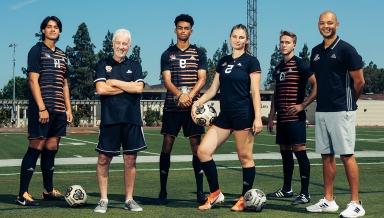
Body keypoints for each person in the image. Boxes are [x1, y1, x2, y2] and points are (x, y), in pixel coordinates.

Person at [192, 24, 263, 211]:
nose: (238, 40)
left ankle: (244, 198)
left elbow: (255, 91)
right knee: (203, 151)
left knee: (245, 157)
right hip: (225, 115)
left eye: (241, 37)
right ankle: (215, 194)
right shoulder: (223, 61)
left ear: (246, 40)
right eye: (235, 36)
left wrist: (258, 118)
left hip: (243, 114)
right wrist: (198, 102)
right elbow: (214, 89)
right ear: (230, 38)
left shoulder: (251, 61)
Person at [306, 11, 366, 217]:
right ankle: (329, 200)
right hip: (322, 110)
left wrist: (348, 103)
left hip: (343, 110)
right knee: (326, 156)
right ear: (318, 25)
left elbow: (360, 82)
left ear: (337, 24)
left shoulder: (347, 49)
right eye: (322, 23)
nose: (326, 26)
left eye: (330, 23)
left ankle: (356, 203)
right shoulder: (314, 52)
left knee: (347, 155)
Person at [16, 16, 73, 206]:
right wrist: (41, 108)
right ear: (43, 30)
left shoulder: (63, 55)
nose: (52, 29)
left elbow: (65, 84)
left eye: (56, 27)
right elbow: (32, 80)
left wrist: (68, 108)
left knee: (51, 148)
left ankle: (48, 191)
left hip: (58, 110)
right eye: (48, 27)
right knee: (36, 147)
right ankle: (22, 193)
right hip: (42, 109)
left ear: (60, 31)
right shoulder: (36, 50)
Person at [93, 28, 146, 213]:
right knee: (103, 159)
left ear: (129, 45)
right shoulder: (102, 64)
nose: (121, 47)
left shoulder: (135, 64)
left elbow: (139, 89)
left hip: (131, 119)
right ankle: (103, 200)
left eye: (125, 44)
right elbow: (100, 89)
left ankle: (129, 199)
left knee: (130, 159)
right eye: (118, 43)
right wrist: (128, 86)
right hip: (110, 119)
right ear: (113, 43)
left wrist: (114, 82)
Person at [158, 14, 207, 205]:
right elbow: (167, 80)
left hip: (192, 109)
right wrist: (180, 95)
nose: (183, 31)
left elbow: (202, 78)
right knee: (167, 146)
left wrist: (190, 96)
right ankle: (163, 191)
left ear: (191, 30)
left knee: (197, 148)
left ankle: (200, 192)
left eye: (187, 28)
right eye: (180, 27)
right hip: (172, 106)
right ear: (175, 29)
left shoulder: (199, 53)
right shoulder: (167, 54)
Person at [266, 30, 317, 205]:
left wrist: (303, 105)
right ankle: (287, 189)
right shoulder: (279, 67)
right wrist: (271, 116)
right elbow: (276, 92)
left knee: (300, 152)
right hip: (282, 119)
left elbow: (315, 85)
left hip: (296, 119)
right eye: (282, 42)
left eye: (287, 42)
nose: (284, 45)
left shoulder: (301, 64)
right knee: (285, 153)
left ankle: (305, 193)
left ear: (294, 45)